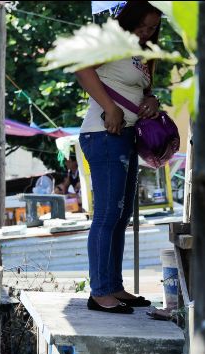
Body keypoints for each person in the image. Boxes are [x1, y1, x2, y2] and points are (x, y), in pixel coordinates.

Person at [75, 0, 161, 314]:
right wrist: (110, 108)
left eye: (152, 28)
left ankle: (113, 285)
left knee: (120, 217)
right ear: (130, 19)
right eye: (142, 25)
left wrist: (151, 98)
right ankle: (99, 291)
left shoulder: (141, 53)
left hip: (126, 137)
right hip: (103, 133)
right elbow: (82, 70)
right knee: (107, 215)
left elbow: (139, 88)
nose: (146, 32)